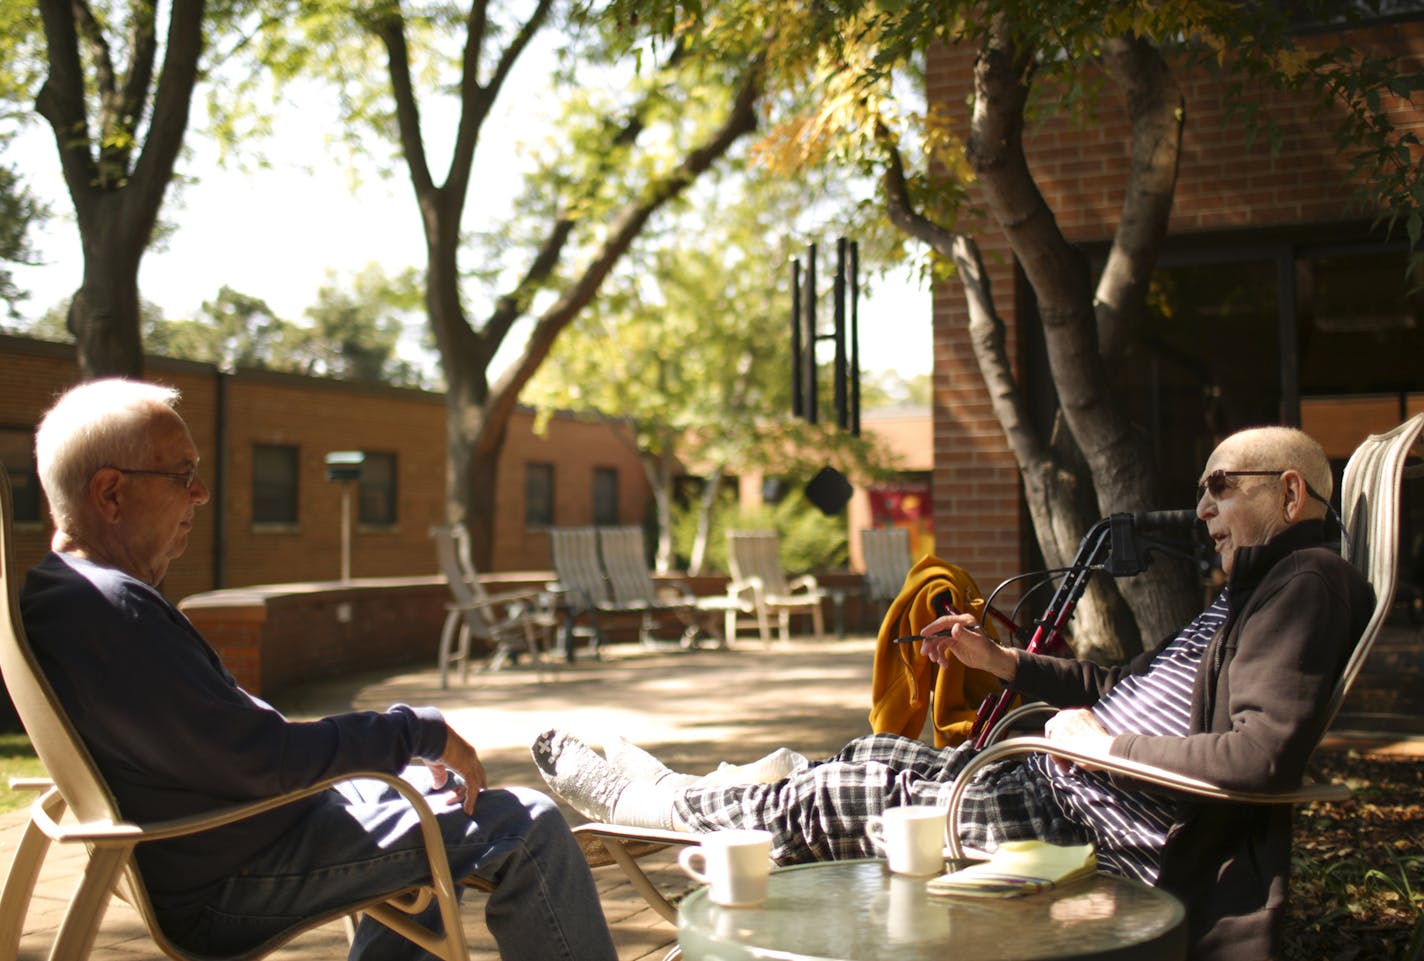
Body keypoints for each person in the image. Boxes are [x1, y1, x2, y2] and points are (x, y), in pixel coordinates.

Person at [532, 425, 1374, 961]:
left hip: (1085, 825)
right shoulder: (1244, 596)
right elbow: (1122, 687)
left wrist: (1100, 748)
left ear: (1291, 492)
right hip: (1055, 783)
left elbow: (1259, 754)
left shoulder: (1306, 581)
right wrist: (998, 658)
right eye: (1201, 489)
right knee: (871, 756)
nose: (1201, 508)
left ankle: (664, 805)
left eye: (1221, 485)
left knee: (850, 787)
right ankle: (711, 799)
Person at [22, 378, 617, 961]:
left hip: (226, 835)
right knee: (528, 824)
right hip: (233, 875)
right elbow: (261, 760)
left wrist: (390, 746)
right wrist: (418, 730)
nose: (200, 493)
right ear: (110, 494)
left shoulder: (65, 594)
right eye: (182, 474)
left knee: (415, 795)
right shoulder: (114, 611)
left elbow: (236, 753)